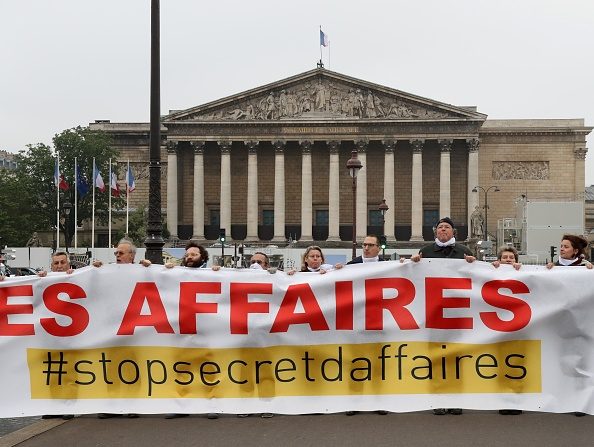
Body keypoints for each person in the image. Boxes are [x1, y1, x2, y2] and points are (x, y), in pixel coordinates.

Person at [411, 217, 474, 415]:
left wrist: (475, 264)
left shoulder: (465, 252)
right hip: (434, 312)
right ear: (435, 231)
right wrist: (413, 263)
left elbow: (478, 277)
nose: (443, 230)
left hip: (457, 311)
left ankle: (455, 399)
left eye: (447, 227)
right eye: (440, 227)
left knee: (456, 358)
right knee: (436, 358)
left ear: (453, 231)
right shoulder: (425, 251)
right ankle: (437, 399)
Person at [546, 234, 592, 417]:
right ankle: (562, 397)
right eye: (561, 246)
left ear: (575, 250)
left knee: (580, 361)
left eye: (565, 246)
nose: (562, 249)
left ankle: (580, 401)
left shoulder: (585, 268)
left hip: (580, 323)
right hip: (560, 322)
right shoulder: (553, 267)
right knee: (561, 360)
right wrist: (546, 270)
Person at [345, 234, 388, 416]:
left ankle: (379, 401)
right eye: (364, 245)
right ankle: (354, 402)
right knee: (356, 363)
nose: (366, 248)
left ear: (379, 248)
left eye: (370, 245)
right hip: (357, 322)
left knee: (378, 365)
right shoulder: (351, 265)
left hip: (379, 321)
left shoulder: (388, 265)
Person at [38, 252, 75, 420]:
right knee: (52, 370)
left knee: (69, 370)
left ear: (69, 264)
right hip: (51, 334)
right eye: (56, 263)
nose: (59, 266)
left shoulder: (77, 277)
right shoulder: (45, 279)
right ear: (51, 266)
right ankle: (54, 406)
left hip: (72, 334)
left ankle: (69, 406)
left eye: (62, 262)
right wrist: (39, 279)